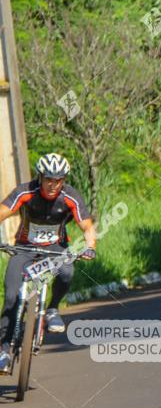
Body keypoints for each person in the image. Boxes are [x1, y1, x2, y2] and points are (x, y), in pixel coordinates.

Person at [0, 153, 96, 374]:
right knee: (12, 295)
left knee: (66, 273)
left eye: (59, 180)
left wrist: (90, 247)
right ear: (40, 177)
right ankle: (4, 349)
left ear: (64, 180)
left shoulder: (70, 196)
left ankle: (52, 309)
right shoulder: (25, 191)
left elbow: (87, 226)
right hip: (24, 248)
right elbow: (3, 211)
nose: (54, 185)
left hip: (55, 249)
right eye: (49, 179)